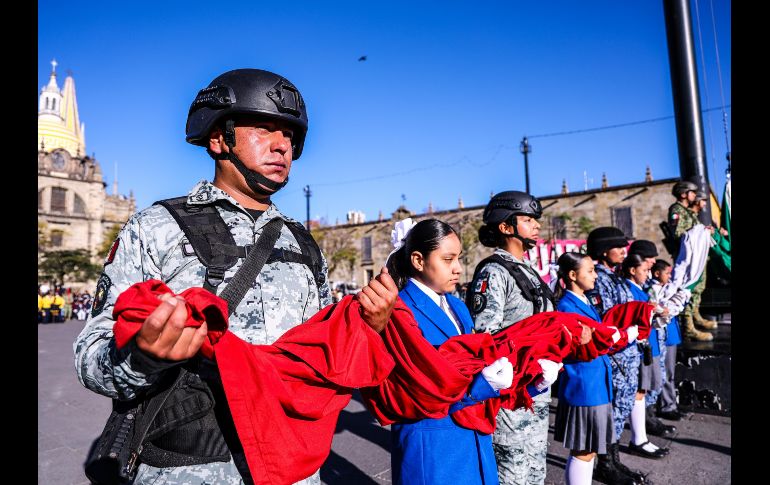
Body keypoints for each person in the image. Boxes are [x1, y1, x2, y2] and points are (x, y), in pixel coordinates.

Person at [73, 68, 398, 485]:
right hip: (186, 468)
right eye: (264, 129)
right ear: (218, 139)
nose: (283, 146)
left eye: (291, 137)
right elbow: (91, 356)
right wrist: (142, 356)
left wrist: (369, 327)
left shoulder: (304, 242)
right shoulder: (157, 226)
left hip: (293, 470)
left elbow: (323, 355)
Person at [386, 218, 514, 485]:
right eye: (448, 259)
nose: (457, 268)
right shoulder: (399, 310)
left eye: (459, 258)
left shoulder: (458, 306)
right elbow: (417, 389)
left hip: (472, 439)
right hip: (434, 448)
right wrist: (480, 387)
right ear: (418, 260)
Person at [466, 191, 561, 485]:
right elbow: (484, 337)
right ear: (506, 228)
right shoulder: (494, 272)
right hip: (510, 397)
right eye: (528, 220)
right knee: (512, 475)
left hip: (536, 388)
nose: (536, 225)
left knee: (534, 471)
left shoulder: (528, 271)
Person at [554, 252, 640, 485]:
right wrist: (622, 335)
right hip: (584, 384)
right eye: (590, 271)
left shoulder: (583, 301)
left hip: (594, 382)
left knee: (589, 449)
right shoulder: (567, 306)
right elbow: (589, 342)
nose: (595, 276)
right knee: (583, 450)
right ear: (573, 275)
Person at [583, 227, 648, 483]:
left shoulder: (614, 276)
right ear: (603, 250)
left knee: (620, 411)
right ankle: (605, 464)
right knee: (611, 412)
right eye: (618, 246)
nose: (624, 251)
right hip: (615, 356)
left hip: (627, 355)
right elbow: (606, 320)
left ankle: (614, 460)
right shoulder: (598, 279)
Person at [622, 254, 673, 459]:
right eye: (644, 270)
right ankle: (638, 439)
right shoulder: (629, 290)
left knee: (642, 390)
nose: (648, 274)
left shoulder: (640, 290)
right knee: (638, 392)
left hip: (646, 345)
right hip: (637, 346)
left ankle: (640, 437)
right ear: (632, 271)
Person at [666, 181, 713, 341]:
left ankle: (695, 317)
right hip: (686, 259)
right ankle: (688, 326)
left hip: (696, 257)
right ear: (683, 193)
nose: (694, 195)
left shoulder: (689, 212)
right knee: (687, 290)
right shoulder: (676, 211)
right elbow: (679, 233)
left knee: (697, 289)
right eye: (692, 192)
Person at [648, 259, 689, 421]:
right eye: (667, 273)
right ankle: (666, 406)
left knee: (670, 372)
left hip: (671, 334)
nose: (670, 277)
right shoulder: (653, 290)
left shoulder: (669, 288)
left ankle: (670, 404)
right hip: (662, 335)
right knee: (664, 373)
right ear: (657, 273)